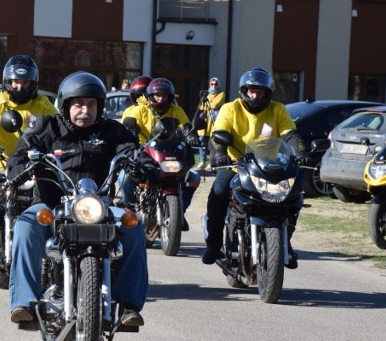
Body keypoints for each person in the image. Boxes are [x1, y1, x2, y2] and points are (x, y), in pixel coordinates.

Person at [7, 71, 152, 328]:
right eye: (78, 104)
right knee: (26, 223)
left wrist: (144, 165)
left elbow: (133, 151)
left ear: (100, 106)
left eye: (91, 104)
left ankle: (129, 304)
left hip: (99, 207)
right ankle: (24, 302)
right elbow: (19, 157)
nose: (85, 110)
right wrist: (23, 168)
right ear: (65, 105)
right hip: (53, 207)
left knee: (132, 224)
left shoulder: (112, 131)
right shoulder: (46, 128)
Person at [202, 67, 304, 267]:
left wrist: (300, 152)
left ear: (267, 92)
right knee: (219, 192)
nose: (255, 94)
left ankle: (285, 241)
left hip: (270, 168)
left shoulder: (277, 109)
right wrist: (219, 154)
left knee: (294, 194)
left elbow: (290, 135)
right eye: (251, 90)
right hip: (235, 166)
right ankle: (214, 244)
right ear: (244, 90)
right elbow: (217, 137)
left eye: (259, 91)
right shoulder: (230, 108)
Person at [0, 55, 58, 253]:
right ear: (7, 81)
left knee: (56, 201)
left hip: (32, 164)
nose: (20, 87)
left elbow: (59, 126)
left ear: (33, 83)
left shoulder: (42, 103)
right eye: (16, 82)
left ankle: (50, 242)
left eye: (25, 83)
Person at [122, 77, 200, 231]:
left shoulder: (176, 110)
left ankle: (178, 212)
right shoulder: (140, 110)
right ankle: (129, 209)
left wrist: (192, 136)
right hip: (144, 154)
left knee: (193, 178)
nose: (161, 99)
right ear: (150, 95)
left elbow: (185, 126)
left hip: (169, 154)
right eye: (157, 96)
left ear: (170, 97)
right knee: (125, 178)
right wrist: (131, 131)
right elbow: (127, 125)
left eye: (164, 96)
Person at [195, 77, 226, 170]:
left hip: (214, 121)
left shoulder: (221, 93)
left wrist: (209, 101)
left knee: (213, 143)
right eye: (212, 84)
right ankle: (202, 161)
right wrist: (208, 101)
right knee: (201, 141)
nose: (214, 86)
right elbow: (201, 106)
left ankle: (212, 162)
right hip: (205, 121)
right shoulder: (207, 94)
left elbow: (215, 105)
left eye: (215, 84)